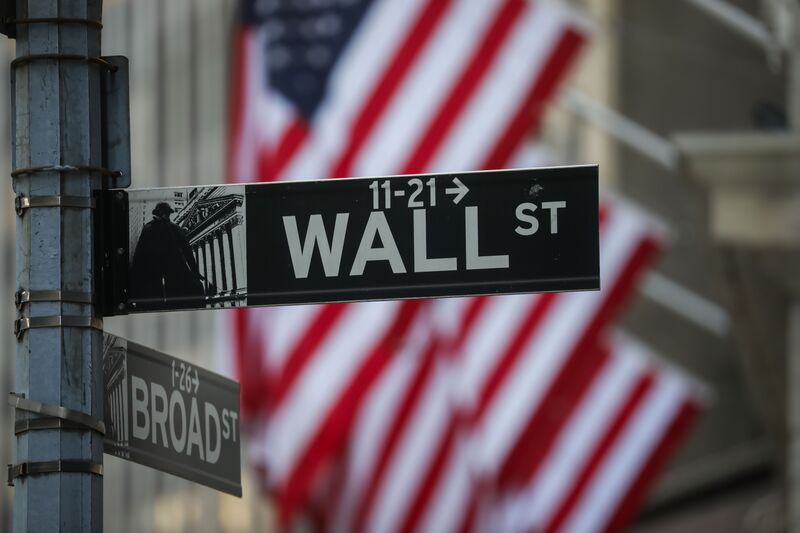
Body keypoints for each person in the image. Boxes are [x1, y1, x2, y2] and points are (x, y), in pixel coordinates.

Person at [130, 202, 205, 309]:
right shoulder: (173, 228)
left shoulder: (151, 228)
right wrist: (195, 272)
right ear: (161, 213)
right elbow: (188, 252)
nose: (167, 216)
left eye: (167, 214)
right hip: (165, 274)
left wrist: (195, 272)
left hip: (163, 274)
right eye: (166, 213)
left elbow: (139, 256)